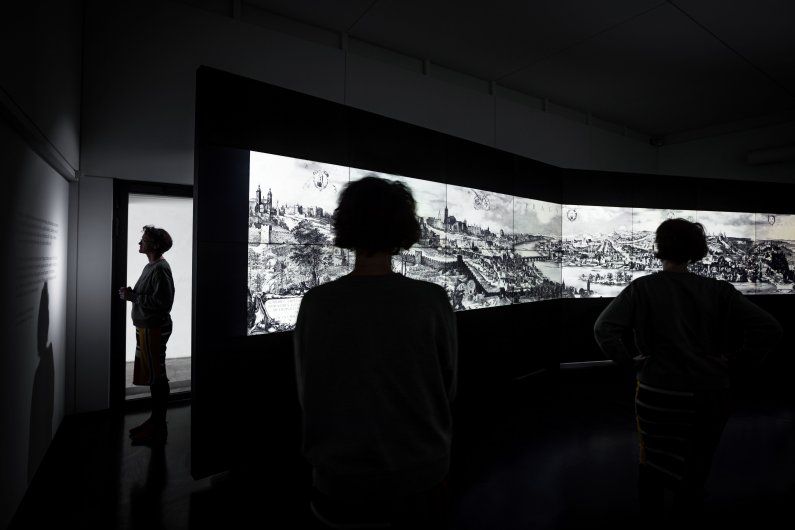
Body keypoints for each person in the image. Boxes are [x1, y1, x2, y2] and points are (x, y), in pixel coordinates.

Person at [293, 176, 458, 528]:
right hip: (421, 478)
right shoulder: (433, 301)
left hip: (339, 484)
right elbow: (447, 389)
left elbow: (308, 393)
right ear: (403, 228)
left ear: (346, 225)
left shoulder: (316, 303)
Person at [593, 218, 782, 524]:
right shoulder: (719, 290)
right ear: (697, 249)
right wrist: (737, 364)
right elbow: (769, 328)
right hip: (711, 393)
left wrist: (629, 362)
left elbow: (604, 329)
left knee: (652, 465)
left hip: (657, 392)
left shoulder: (643, 288)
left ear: (659, 247)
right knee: (697, 466)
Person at [119, 225, 175, 445]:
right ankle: (156, 421)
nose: (140, 243)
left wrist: (133, 297)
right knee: (153, 375)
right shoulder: (151, 266)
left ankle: (159, 425)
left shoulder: (160, 269)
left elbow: (164, 302)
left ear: (155, 245)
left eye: (144, 240)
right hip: (147, 327)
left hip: (154, 328)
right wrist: (133, 294)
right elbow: (150, 295)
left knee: (157, 376)